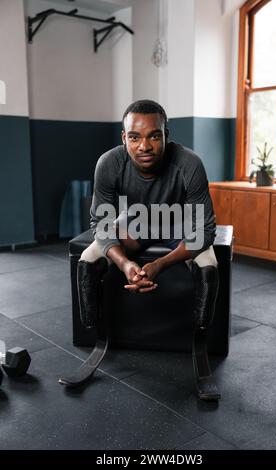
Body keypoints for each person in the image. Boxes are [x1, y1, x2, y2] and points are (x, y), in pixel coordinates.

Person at [78, 99, 220, 400]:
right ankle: (96, 333)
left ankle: (201, 337)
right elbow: (101, 225)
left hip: (179, 223)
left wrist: (160, 264)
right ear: (124, 138)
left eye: (154, 135)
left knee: (209, 263)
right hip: (137, 221)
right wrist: (124, 263)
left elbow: (203, 231)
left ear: (167, 134)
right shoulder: (109, 163)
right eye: (135, 137)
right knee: (88, 257)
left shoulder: (189, 163)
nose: (145, 145)